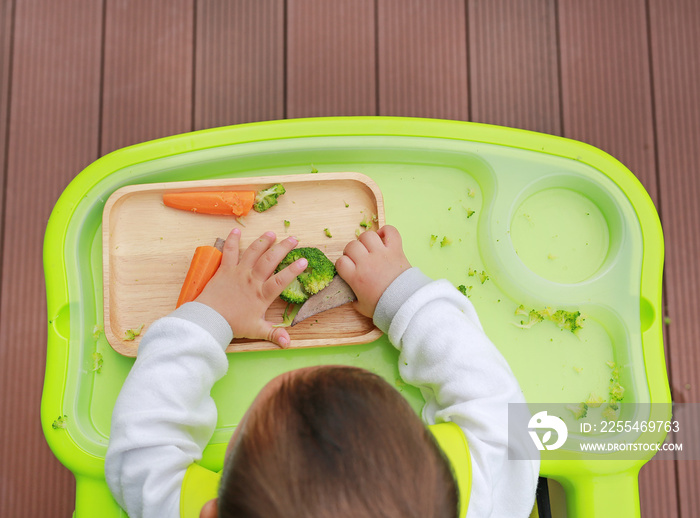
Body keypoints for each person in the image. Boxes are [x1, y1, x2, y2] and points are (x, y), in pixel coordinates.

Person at [105, 226, 539, 518]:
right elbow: (506, 413)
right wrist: (399, 294)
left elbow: (140, 451)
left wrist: (211, 316)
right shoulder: (483, 496)